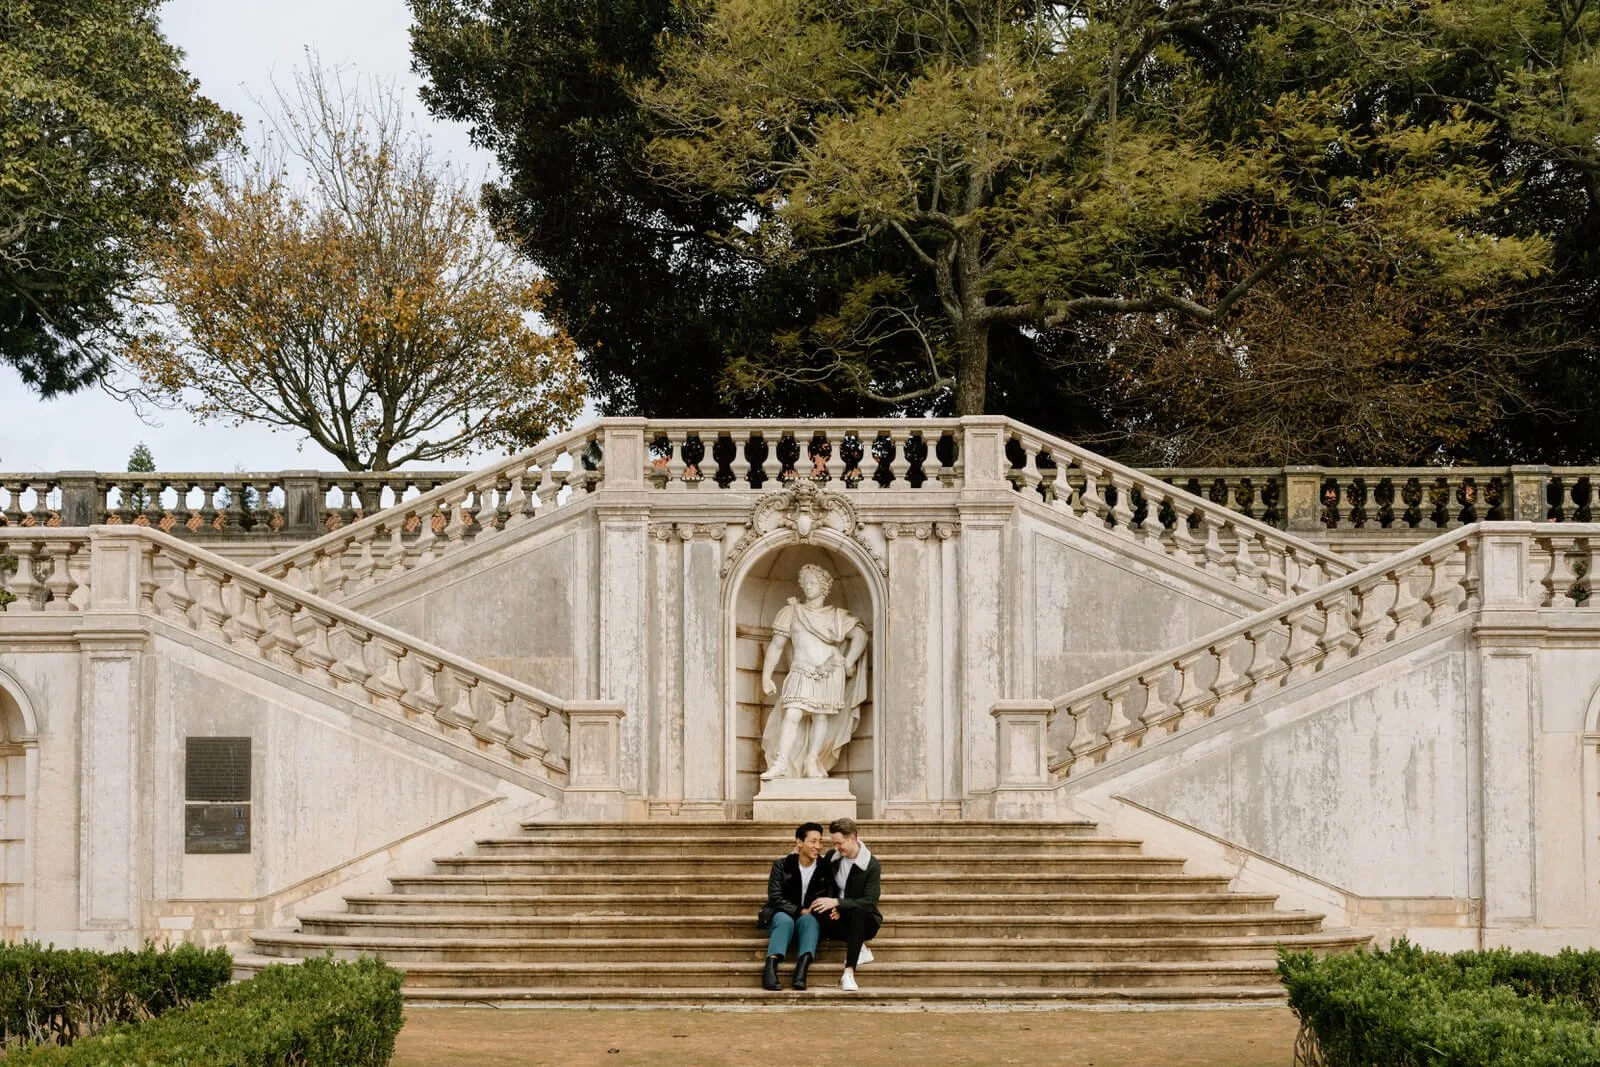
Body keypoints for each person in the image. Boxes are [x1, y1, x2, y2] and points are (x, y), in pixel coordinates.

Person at [759, 564, 868, 780]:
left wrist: (848, 662)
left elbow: (860, 636)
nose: (808, 586)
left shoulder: (836, 616)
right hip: (801, 671)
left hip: (830, 671)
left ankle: (812, 760)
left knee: (820, 717)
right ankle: (781, 763)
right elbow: (777, 646)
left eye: (813, 582)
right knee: (792, 714)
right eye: (805, 582)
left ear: (824, 587)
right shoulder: (791, 611)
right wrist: (766, 676)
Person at [811, 817, 881, 991]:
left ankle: (848, 973)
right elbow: (824, 883)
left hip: (866, 919)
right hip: (840, 916)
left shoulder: (871, 865)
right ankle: (860, 948)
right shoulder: (833, 858)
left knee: (858, 913)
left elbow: (869, 902)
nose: (836, 848)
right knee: (818, 909)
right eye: (834, 843)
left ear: (852, 838)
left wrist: (838, 903)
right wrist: (833, 906)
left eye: (839, 843)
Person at [760, 821, 829, 991]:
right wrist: (798, 910)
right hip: (782, 913)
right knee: (785, 921)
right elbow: (775, 897)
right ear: (799, 842)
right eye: (813, 841)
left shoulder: (825, 868)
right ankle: (770, 967)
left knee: (810, 921)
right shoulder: (782, 865)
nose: (818, 846)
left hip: (808, 917)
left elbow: (828, 894)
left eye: (820, 842)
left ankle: (801, 969)